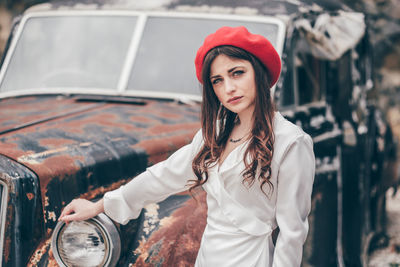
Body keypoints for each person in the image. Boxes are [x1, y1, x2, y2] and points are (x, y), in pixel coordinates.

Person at [59, 26, 315, 267]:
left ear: (258, 72)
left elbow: (292, 233)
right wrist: (99, 206)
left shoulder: (291, 142)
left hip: (252, 258)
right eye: (217, 80)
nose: (229, 88)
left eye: (237, 73)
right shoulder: (213, 134)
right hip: (208, 256)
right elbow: (162, 177)